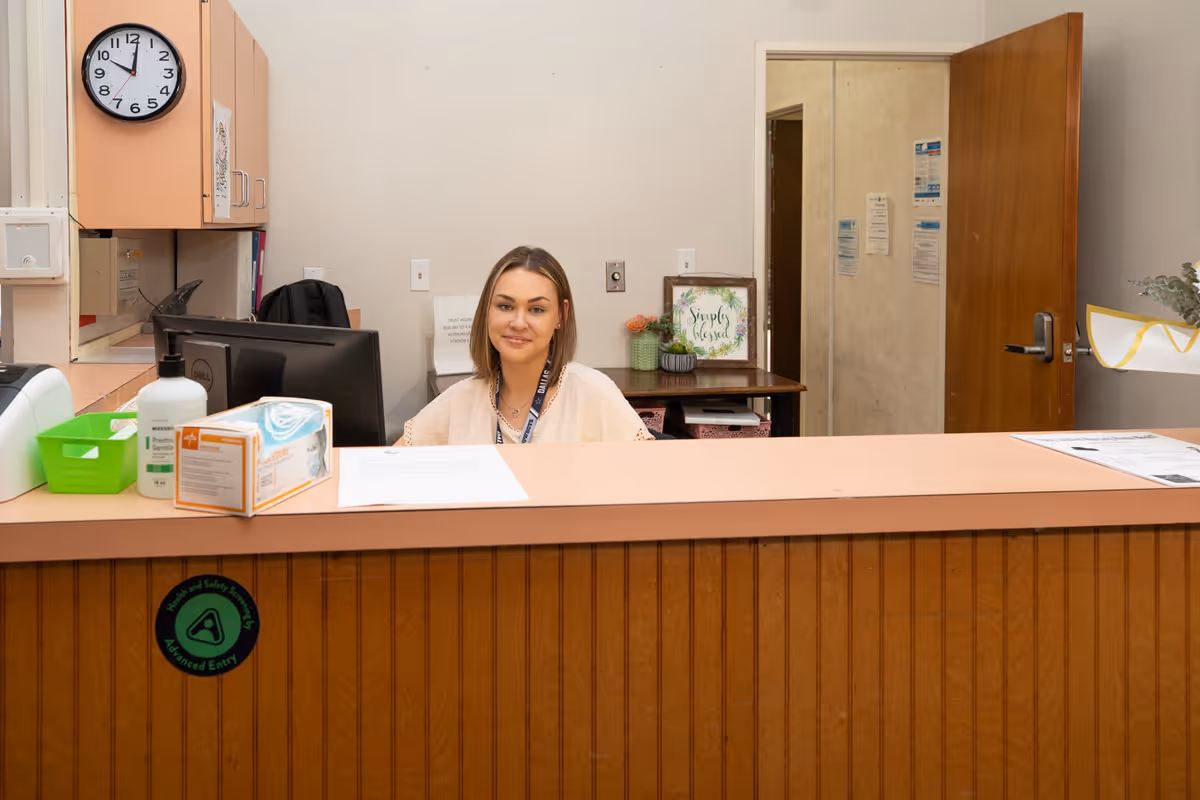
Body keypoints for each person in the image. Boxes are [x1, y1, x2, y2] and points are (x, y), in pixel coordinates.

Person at [399, 246, 653, 446]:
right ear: (487, 310)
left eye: (536, 309)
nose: (518, 323)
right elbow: (389, 465)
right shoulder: (459, 401)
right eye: (505, 306)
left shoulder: (593, 393)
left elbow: (652, 481)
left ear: (560, 316)